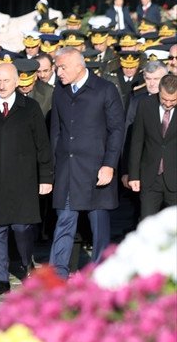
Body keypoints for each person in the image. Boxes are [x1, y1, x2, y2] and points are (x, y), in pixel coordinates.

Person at [0, 62, 54, 296]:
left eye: (6, 80)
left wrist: (46, 177)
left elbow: (42, 146)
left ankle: (26, 263)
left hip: (23, 181)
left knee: (21, 227)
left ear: (17, 82)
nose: (1, 85)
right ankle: (0, 279)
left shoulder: (30, 108)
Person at [48, 47, 125, 278]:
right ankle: (57, 274)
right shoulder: (60, 92)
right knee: (64, 222)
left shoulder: (105, 89)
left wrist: (109, 165)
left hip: (96, 171)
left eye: (62, 67)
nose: (58, 72)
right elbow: (56, 132)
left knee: (99, 226)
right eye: (57, 67)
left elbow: (116, 130)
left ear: (79, 66)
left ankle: (101, 274)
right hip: (68, 170)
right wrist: (54, 167)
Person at [127, 73, 177, 218]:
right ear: (159, 92)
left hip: (175, 178)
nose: (168, 104)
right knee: (147, 225)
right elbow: (137, 141)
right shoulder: (145, 105)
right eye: (164, 99)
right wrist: (133, 175)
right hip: (150, 178)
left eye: (173, 100)